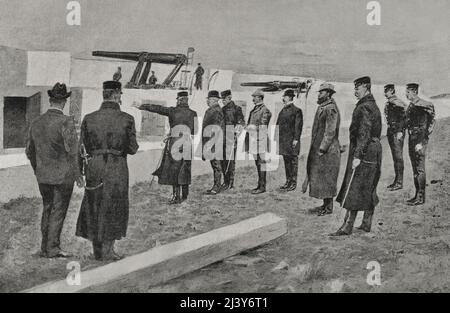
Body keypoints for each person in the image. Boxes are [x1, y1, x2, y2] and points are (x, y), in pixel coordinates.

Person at [76, 81, 139, 261]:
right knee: (114, 205)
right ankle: (108, 250)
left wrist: (80, 171)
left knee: (94, 204)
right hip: (116, 166)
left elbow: (81, 147)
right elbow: (133, 148)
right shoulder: (127, 119)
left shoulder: (89, 118)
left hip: (94, 165)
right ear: (117, 95)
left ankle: (98, 251)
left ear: (104, 94)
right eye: (120, 95)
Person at [26, 83, 83, 258]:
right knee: (58, 211)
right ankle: (53, 248)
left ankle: (45, 247)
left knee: (47, 208)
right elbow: (73, 152)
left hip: (43, 177)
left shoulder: (36, 122)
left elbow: (29, 151)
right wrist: (78, 175)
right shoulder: (66, 122)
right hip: (62, 177)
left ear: (50, 100)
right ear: (64, 102)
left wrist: (38, 169)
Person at [331, 76, 382, 236]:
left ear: (366, 88)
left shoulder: (364, 107)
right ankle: (366, 223)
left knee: (355, 187)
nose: (355, 92)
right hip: (374, 150)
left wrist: (358, 155)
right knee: (369, 186)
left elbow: (364, 133)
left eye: (357, 89)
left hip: (365, 151)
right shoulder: (372, 105)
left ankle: (347, 226)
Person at [134, 91, 197, 204]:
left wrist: (141, 106)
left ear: (179, 100)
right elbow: (195, 131)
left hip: (175, 142)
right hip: (187, 142)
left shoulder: (172, 111)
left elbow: (157, 108)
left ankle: (176, 196)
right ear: (186, 100)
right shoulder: (193, 113)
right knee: (185, 168)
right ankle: (185, 195)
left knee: (175, 169)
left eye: (177, 99)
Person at [303, 83, 341, 216]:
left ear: (329, 94)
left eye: (321, 92)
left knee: (328, 178)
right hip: (321, 149)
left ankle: (329, 208)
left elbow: (330, 131)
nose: (319, 94)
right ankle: (325, 204)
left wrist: (322, 148)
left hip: (328, 151)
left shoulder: (331, 108)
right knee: (321, 178)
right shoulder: (323, 107)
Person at [405, 83, 435, 206]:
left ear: (414, 92)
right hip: (412, 138)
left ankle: (421, 197)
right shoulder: (412, 105)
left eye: (408, 92)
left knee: (419, 168)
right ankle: (417, 194)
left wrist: (420, 143)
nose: (406, 95)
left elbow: (424, 126)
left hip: (419, 140)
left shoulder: (421, 105)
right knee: (415, 168)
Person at [245, 89, 272, 194]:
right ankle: (259, 185)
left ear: (260, 98)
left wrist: (249, 127)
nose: (253, 99)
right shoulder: (255, 109)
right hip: (254, 140)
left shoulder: (265, 110)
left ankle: (262, 187)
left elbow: (263, 126)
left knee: (261, 163)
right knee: (258, 163)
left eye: (254, 97)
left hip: (260, 140)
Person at [275, 89, 303, 192]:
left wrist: (296, 139)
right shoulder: (283, 110)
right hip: (284, 141)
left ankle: (293, 183)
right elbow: (278, 124)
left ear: (290, 97)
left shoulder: (297, 110)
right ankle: (288, 182)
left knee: (293, 162)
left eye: (285, 96)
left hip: (292, 141)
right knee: (286, 162)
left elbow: (298, 126)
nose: (283, 98)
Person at [384, 84, 408, 191]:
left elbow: (404, 117)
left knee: (398, 157)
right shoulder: (390, 102)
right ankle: (397, 180)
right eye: (385, 91)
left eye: (387, 91)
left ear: (392, 91)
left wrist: (400, 131)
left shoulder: (397, 102)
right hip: (391, 131)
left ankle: (399, 182)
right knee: (395, 157)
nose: (385, 93)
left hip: (397, 132)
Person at [221, 89, 245, 190]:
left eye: (224, 99)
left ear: (229, 98)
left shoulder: (237, 108)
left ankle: (230, 182)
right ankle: (225, 181)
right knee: (223, 160)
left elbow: (241, 123)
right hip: (222, 136)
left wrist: (236, 133)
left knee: (230, 160)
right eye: (222, 99)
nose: (223, 101)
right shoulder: (222, 109)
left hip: (231, 137)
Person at [202, 90, 225, 195]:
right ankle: (216, 186)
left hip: (214, 142)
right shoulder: (213, 110)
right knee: (215, 164)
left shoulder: (215, 110)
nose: (207, 101)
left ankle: (216, 187)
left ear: (214, 100)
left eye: (208, 99)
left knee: (216, 165)